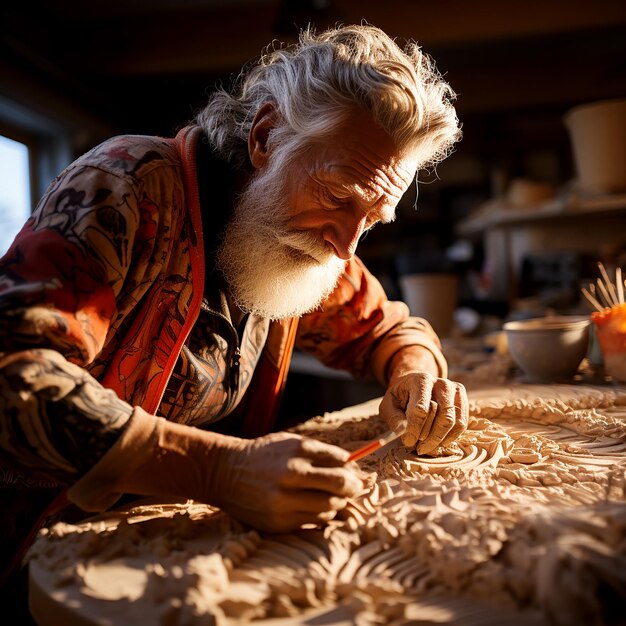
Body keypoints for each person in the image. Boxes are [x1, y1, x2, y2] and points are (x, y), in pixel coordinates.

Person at [0, 23, 466, 596]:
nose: (347, 247)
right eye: (339, 195)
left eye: (371, 219)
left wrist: (415, 372)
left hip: (161, 559)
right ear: (267, 137)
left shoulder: (304, 238)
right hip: (35, 559)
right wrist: (219, 470)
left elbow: (384, 327)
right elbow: (15, 373)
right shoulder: (126, 184)